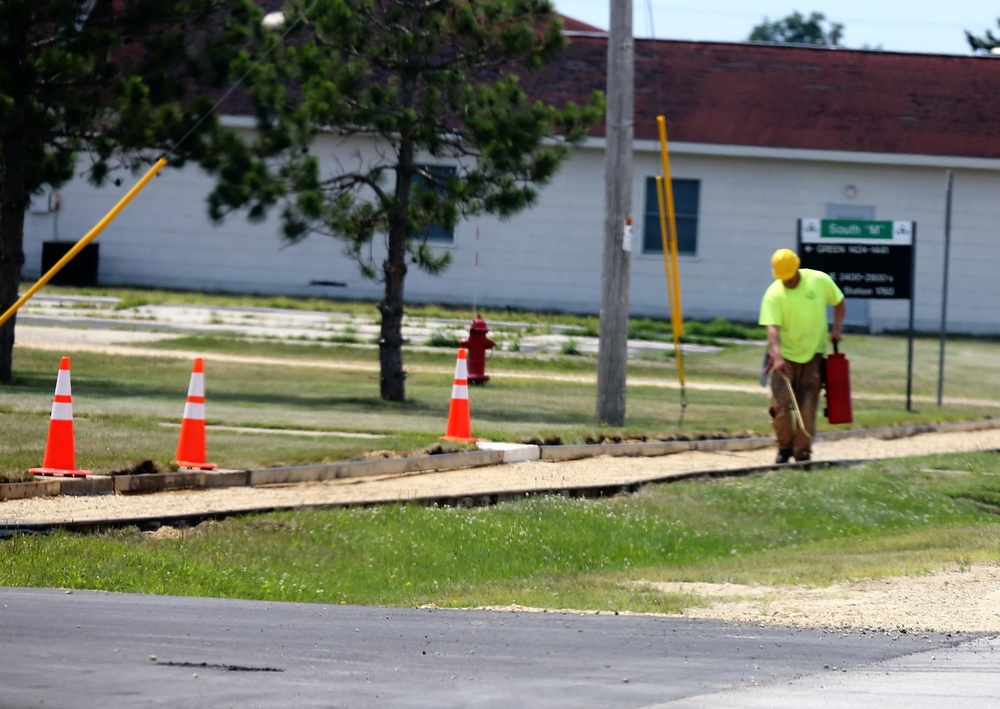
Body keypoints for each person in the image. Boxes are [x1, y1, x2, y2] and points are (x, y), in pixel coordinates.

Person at [759, 248, 846, 464]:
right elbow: (772, 329)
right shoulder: (774, 293)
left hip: (813, 356)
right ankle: (784, 448)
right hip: (786, 357)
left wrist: (836, 329)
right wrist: (777, 356)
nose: (787, 281)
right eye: (783, 278)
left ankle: (802, 453)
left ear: (797, 267)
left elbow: (839, 302)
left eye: (790, 276)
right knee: (778, 405)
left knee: (807, 408)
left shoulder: (818, 280)